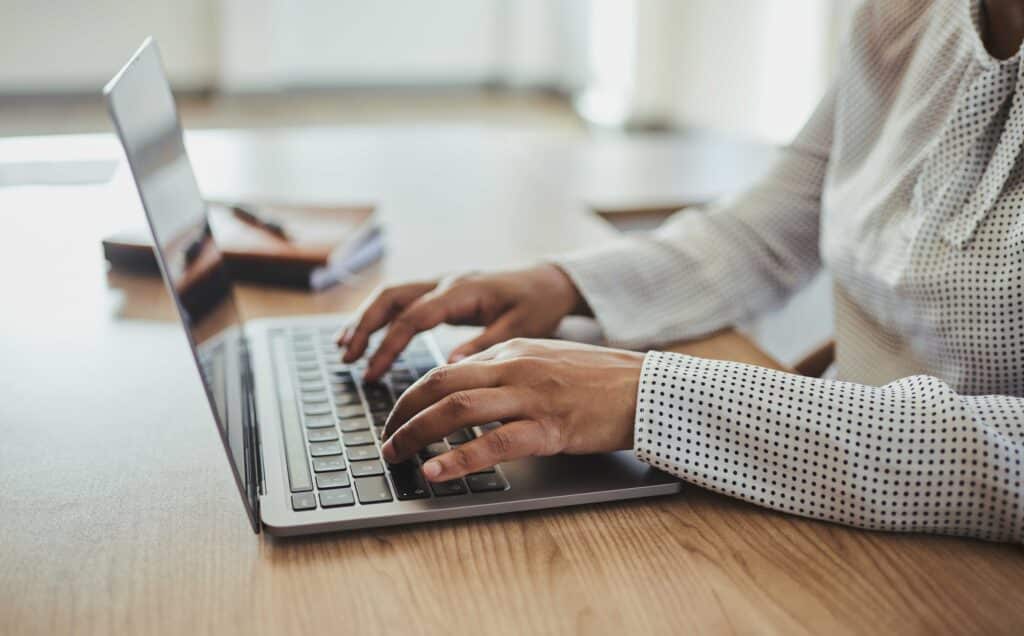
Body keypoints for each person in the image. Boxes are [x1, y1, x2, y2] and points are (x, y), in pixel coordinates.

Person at [339, 0, 1024, 544]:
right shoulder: (900, 14)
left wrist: (654, 398)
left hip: (958, 568)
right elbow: (765, 231)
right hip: (820, 502)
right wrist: (562, 283)